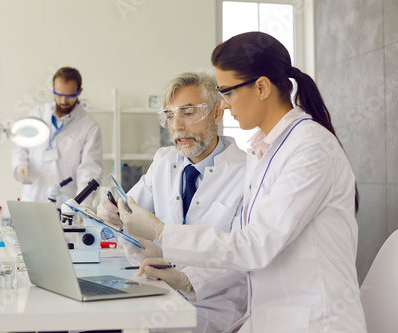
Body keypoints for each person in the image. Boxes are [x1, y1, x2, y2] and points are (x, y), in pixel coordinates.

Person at [117, 32, 367, 333]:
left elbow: (255, 246)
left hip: (314, 321)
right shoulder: (264, 150)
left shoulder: (310, 149)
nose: (224, 104)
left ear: (262, 87)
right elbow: (246, 244)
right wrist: (186, 277)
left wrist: (162, 233)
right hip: (269, 316)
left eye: (229, 92)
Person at [97, 71, 248, 333]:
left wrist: (186, 279)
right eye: (169, 115)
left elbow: (245, 253)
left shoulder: (247, 173)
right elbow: (128, 210)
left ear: (216, 113)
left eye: (188, 113)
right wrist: (111, 212)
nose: (176, 126)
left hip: (213, 306)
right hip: (161, 291)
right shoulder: (164, 160)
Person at [12, 67, 103, 207]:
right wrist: (20, 165)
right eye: (58, 95)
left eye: (69, 96)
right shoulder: (38, 114)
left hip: (66, 204)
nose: (63, 101)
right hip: (33, 198)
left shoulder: (89, 126)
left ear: (79, 92)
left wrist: (83, 206)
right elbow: (22, 147)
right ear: (53, 88)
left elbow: (89, 170)